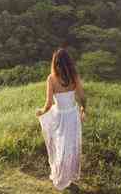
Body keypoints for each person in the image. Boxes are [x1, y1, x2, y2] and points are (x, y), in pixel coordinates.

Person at [36, 48, 87, 191]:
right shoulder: (74, 76)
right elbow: (82, 97)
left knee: (60, 146)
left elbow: (48, 104)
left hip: (60, 116)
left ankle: (61, 176)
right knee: (70, 146)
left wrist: (41, 112)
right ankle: (67, 177)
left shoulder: (51, 78)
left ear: (55, 63)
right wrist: (83, 110)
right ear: (69, 63)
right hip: (72, 115)